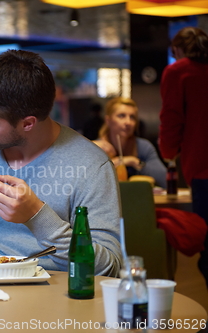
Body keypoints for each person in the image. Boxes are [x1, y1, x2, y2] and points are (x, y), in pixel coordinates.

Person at [0, 50, 121, 276]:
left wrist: (37, 216)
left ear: (28, 123)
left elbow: (109, 267)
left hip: (53, 295)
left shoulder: (91, 166)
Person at [158, 26, 208, 286]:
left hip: (203, 170)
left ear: (176, 50)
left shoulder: (178, 71)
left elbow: (171, 118)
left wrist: (168, 152)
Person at [93, 97, 167, 188]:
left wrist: (133, 161)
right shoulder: (96, 148)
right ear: (108, 121)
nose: (128, 122)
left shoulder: (143, 147)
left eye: (132, 117)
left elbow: (164, 178)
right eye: (121, 116)